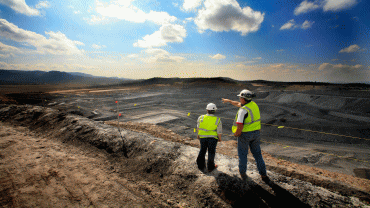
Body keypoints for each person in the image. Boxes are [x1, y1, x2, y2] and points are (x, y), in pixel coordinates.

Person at [222, 90, 269, 182]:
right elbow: (239, 104)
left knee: (242, 155)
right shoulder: (253, 105)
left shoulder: (243, 111)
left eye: (240, 97)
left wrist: (236, 134)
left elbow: (240, 125)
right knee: (258, 155)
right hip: (256, 133)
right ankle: (263, 175)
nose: (239, 99)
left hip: (245, 135)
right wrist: (229, 101)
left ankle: (243, 174)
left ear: (243, 99)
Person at [196, 103, 222, 172]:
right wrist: (219, 138)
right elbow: (219, 131)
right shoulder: (217, 119)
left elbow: (198, 127)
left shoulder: (201, 117)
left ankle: (200, 166)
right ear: (215, 111)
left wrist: (198, 135)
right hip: (213, 138)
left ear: (207, 110)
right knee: (211, 151)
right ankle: (210, 167)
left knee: (202, 150)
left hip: (203, 137)